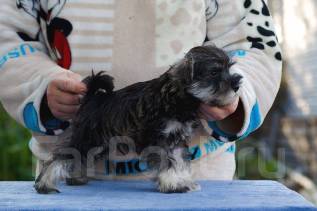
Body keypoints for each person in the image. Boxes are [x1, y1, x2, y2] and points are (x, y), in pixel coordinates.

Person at [0, 0, 282, 180]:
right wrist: (40, 82)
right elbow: (6, 38)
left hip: (200, 174)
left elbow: (255, 45)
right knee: (80, 148)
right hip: (76, 182)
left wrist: (234, 103)